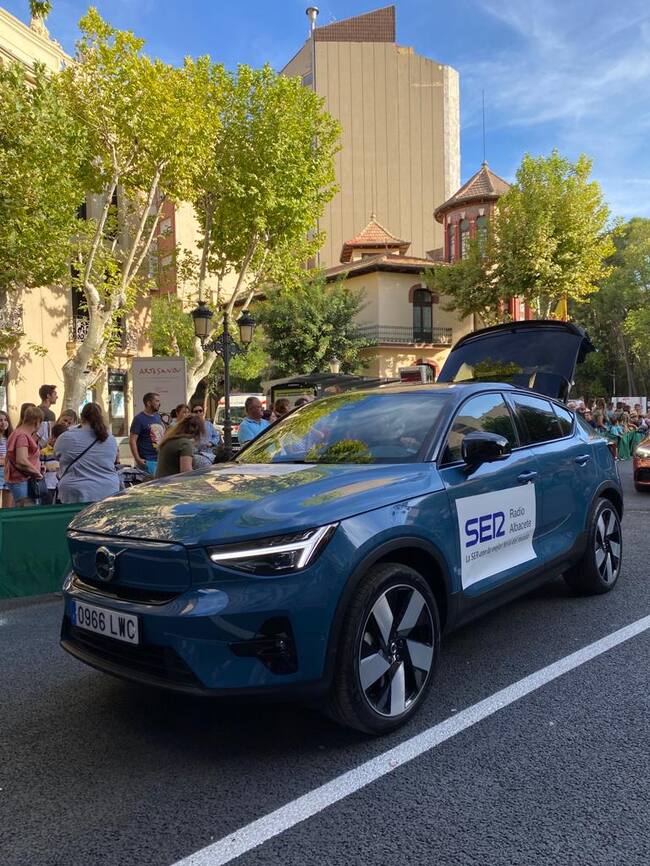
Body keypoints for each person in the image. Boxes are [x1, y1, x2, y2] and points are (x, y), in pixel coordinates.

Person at [55, 403, 120, 504]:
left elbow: (57, 456)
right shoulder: (110, 439)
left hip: (76, 492)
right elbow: (114, 460)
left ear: (81, 417)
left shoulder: (66, 437)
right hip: (107, 490)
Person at [4, 406, 44, 507]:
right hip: (22, 481)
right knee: (27, 512)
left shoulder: (17, 433)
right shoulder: (22, 436)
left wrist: (38, 466)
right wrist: (37, 473)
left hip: (20, 480)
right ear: (37, 422)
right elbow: (21, 460)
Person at [155, 414, 205, 479]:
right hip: (172, 485)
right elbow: (186, 472)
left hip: (160, 483)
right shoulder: (185, 443)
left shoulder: (170, 439)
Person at [129, 392, 163, 475]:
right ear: (148, 403)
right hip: (147, 461)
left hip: (160, 459)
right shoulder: (139, 419)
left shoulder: (157, 417)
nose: (159, 404)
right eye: (157, 401)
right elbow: (132, 440)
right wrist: (137, 459)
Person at [40, 422, 67, 505]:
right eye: (53, 437)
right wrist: (47, 467)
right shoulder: (44, 451)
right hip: (48, 485)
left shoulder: (66, 451)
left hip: (60, 485)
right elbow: (41, 467)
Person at [0, 410, 14, 508]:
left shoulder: (10, 438)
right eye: (0, 420)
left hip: (9, 471)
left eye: (5, 419)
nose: (3, 422)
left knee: (7, 506)